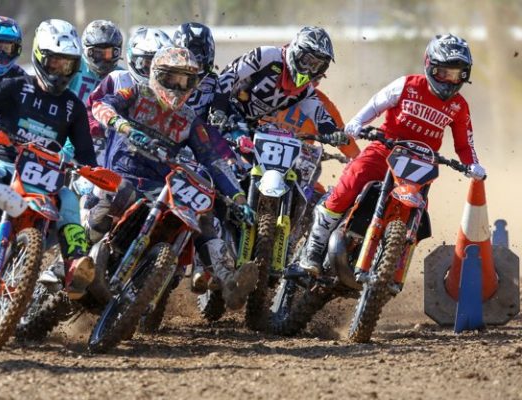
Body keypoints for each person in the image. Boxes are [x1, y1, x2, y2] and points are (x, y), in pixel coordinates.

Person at [299, 34, 486, 274]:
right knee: (354, 178)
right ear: (430, 66)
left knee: (419, 211)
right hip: (386, 149)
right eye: (443, 73)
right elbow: (376, 105)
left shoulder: (459, 106)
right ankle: (314, 247)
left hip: (421, 164)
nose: (449, 80)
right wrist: (357, 123)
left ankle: (395, 265)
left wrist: (473, 164)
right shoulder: (408, 84)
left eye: (456, 75)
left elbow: (464, 144)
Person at [89, 46, 258, 310]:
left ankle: (227, 279)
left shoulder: (189, 119)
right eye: (172, 79)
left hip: (160, 187)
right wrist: (123, 126)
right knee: (112, 201)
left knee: (202, 212)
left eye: (185, 81)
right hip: (122, 176)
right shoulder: (136, 93)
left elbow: (212, 159)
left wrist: (238, 198)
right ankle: (73, 259)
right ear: (156, 74)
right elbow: (101, 104)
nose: (178, 87)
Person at [0, 19, 98, 298]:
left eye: (67, 65)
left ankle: (75, 263)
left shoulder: (74, 106)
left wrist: (92, 176)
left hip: (47, 177)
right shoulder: (18, 86)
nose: (60, 71)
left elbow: (86, 155)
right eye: (54, 63)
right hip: (7, 162)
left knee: (69, 199)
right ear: (40, 57)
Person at [210, 26, 347, 144]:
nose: (309, 69)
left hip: (249, 125)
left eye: (316, 66)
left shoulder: (305, 90)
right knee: (238, 155)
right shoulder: (268, 56)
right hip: (223, 110)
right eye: (307, 61)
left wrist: (333, 132)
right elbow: (229, 75)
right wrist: (218, 109)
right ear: (296, 50)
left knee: (268, 161)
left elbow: (319, 115)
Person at [86, 27, 172, 164]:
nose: (154, 72)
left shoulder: (173, 92)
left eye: (161, 66)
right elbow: (91, 110)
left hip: (156, 161)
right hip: (116, 157)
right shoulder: (117, 79)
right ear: (134, 60)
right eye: (148, 64)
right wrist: (101, 129)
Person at [68, 19, 123, 102]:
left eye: (108, 53)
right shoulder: (73, 67)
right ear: (86, 50)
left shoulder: (122, 77)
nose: (102, 60)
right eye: (97, 53)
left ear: (117, 52)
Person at [172, 22, 218, 118]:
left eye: (198, 66)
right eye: (186, 66)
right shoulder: (164, 82)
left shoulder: (217, 86)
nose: (191, 72)